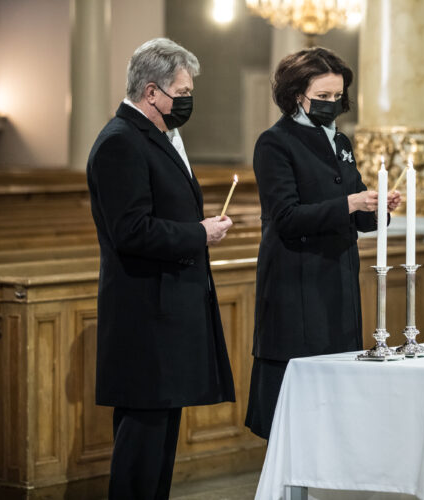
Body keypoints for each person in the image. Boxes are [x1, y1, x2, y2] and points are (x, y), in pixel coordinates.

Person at [87, 38, 236, 499]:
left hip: (164, 315)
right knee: (141, 450)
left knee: (158, 447)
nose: (187, 101)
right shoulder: (120, 142)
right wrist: (200, 233)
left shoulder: (154, 138)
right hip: (144, 318)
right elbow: (130, 231)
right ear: (152, 92)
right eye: (182, 91)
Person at [245, 47, 401, 440]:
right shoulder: (274, 143)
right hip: (296, 287)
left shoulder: (341, 142)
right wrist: (350, 202)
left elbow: (360, 215)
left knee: (335, 404)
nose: (332, 104)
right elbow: (286, 218)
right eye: (323, 96)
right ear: (298, 94)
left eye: (337, 97)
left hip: (338, 283)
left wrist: (379, 206)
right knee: (295, 411)